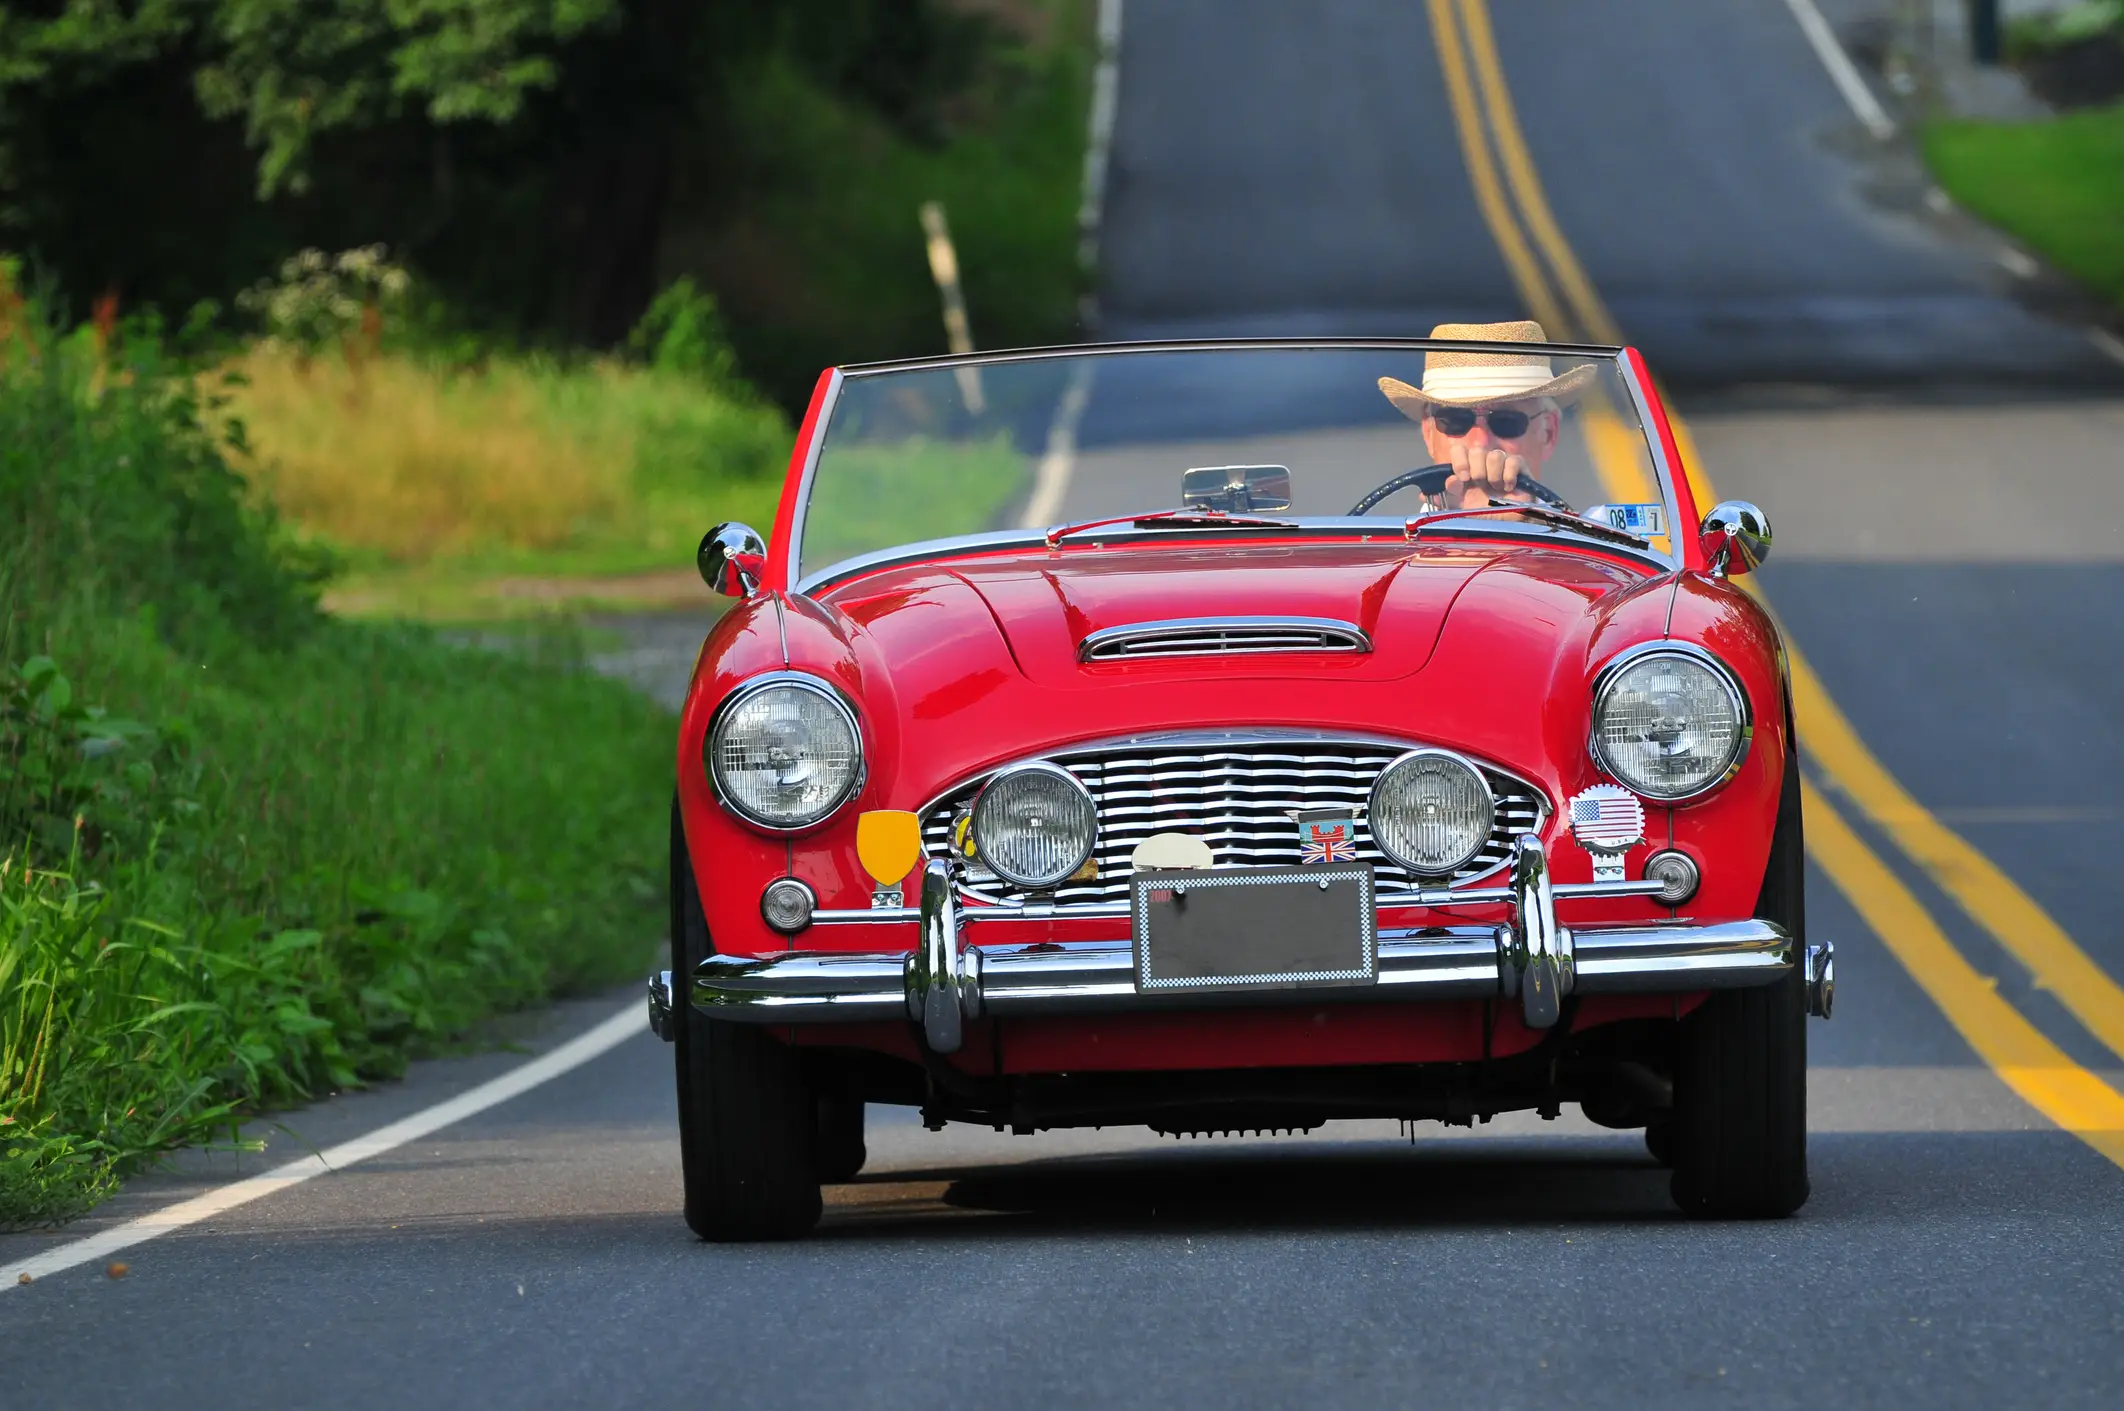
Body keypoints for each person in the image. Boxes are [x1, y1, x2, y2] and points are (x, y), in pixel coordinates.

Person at [1378, 320, 1593, 510]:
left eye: (1506, 422)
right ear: (1428, 434)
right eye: (1455, 421)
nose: (1480, 443)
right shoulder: (1382, 549)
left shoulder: (1593, 550)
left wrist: (1527, 519)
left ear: (1548, 433)